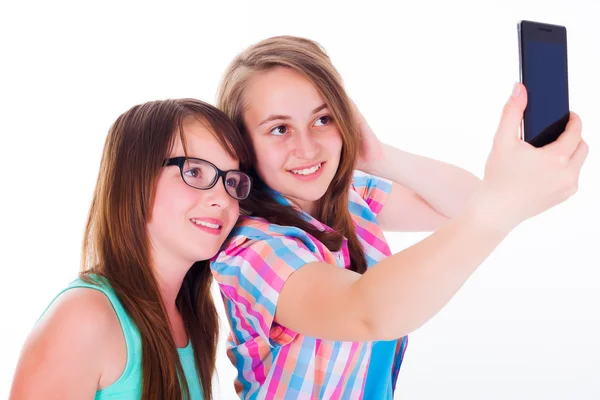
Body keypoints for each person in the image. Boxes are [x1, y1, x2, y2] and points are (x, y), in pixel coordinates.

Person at [210, 36, 588, 399]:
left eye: (323, 119)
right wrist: (500, 207)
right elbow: (366, 312)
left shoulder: (351, 194)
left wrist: (378, 157)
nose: (307, 147)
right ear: (242, 145)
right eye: (279, 129)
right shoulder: (251, 249)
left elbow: (468, 202)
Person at [10, 98, 253, 399]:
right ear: (136, 179)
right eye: (194, 172)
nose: (223, 198)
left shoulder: (194, 318)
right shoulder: (85, 319)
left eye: (232, 180)